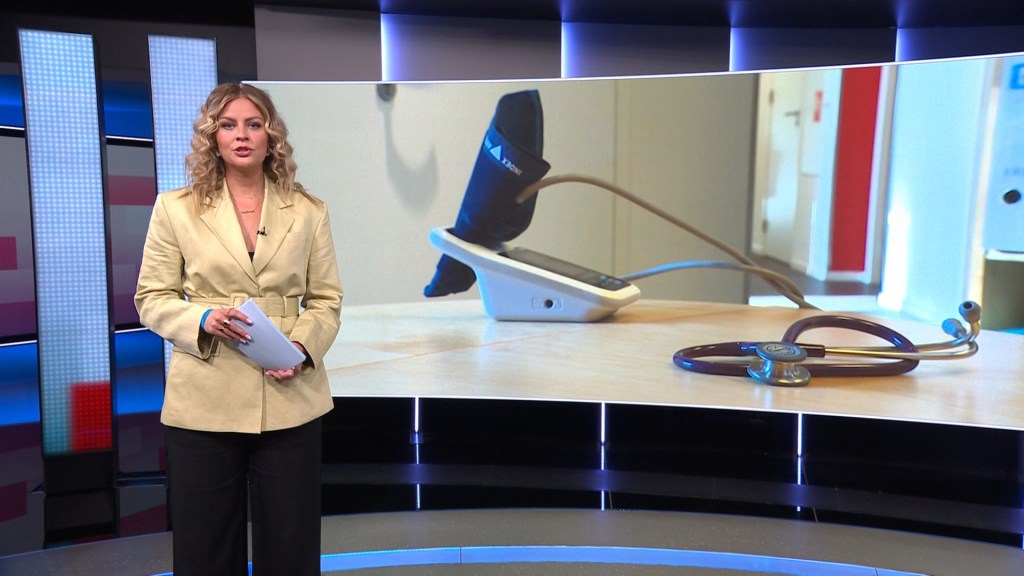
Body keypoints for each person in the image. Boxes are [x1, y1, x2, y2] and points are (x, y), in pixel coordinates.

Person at [135, 83, 343, 576]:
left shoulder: (309, 211)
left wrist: (299, 348)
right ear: (213, 136)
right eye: (228, 125)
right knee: (205, 548)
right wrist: (202, 319)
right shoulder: (175, 208)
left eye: (254, 124)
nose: (242, 135)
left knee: (291, 548)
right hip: (204, 399)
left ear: (272, 135)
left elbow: (326, 300)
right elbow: (152, 298)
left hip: (291, 395)